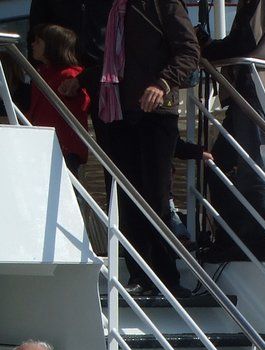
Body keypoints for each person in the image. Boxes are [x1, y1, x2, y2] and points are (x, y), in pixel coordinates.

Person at [64, 0, 199, 298]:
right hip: (118, 112)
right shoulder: (113, 8)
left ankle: (167, 278)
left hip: (155, 112)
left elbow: (189, 51)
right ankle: (140, 275)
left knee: (155, 198)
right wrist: (82, 80)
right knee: (126, 198)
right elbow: (114, 63)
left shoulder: (162, 4)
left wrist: (163, 83)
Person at [197, 0, 265, 261]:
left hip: (254, 83)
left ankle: (249, 242)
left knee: (250, 168)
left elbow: (246, 40)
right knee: (220, 163)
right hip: (256, 84)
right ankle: (234, 238)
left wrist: (206, 48)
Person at [26, 24, 91, 176]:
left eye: (38, 41)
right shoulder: (41, 74)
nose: (32, 44)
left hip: (64, 149)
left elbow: (84, 102)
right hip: (42, 144)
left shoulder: (71, 76)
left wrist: (72, 92)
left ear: (51, 46)